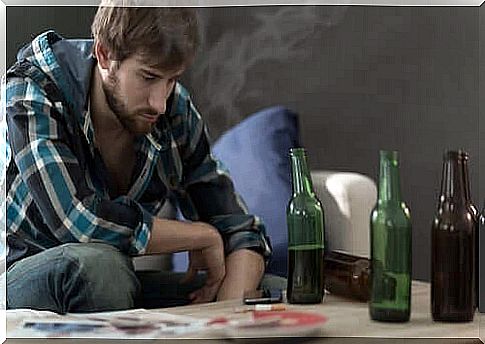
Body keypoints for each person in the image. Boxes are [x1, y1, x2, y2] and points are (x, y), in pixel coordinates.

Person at [2, 2, 280, 314]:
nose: (159, 103)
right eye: (148, 77)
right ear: (105, 54)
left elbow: (241, 231)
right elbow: (78, 220)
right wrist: (200, 234)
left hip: (115, 281)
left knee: (270, 289)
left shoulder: (174, 110)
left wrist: (228, 316)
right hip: (20, 279)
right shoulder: (34, 91)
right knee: (99, 267)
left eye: (172, 79)